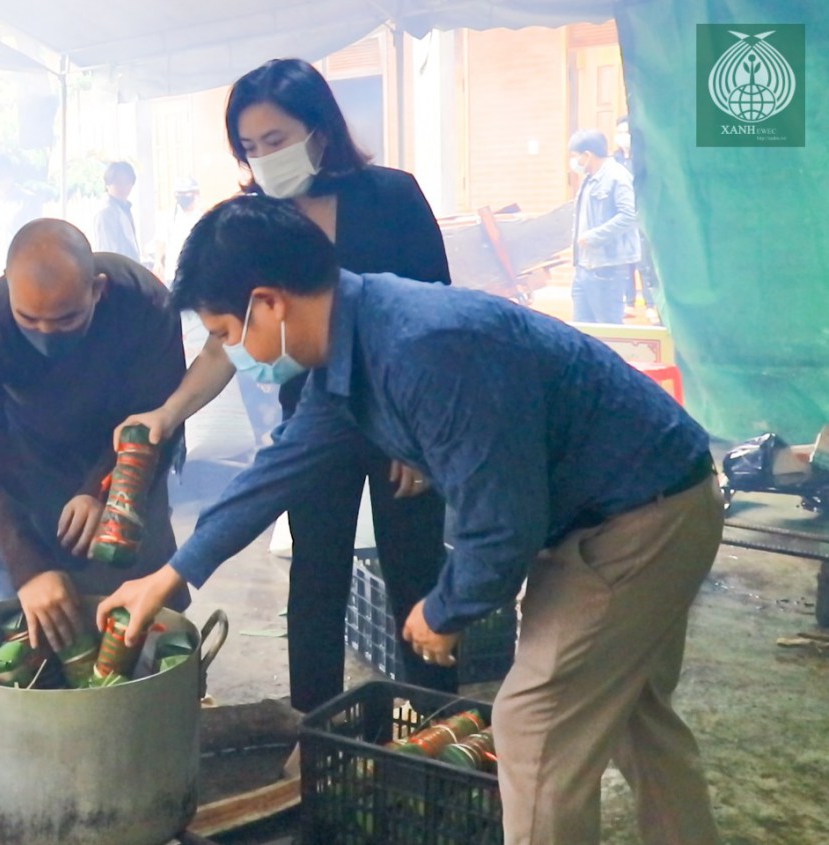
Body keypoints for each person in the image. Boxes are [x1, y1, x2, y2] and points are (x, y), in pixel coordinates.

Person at [103, 195, 723, 845]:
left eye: (229, 334)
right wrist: (172, 574)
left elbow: (502, 522)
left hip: (636, 519)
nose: (236, 355)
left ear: (268, 303)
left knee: (533, 727)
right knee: (633, 715)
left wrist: (446, 608)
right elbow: (277, 470)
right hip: (648, 494)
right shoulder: (353, 348)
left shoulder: (425, 347)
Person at [117, 58, 455, 712]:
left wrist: (423, 441)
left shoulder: (391, 198)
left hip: (404, 423)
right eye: (249, 146)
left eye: (275, 140)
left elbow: (433, 324)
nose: (262, 157)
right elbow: (229, 337)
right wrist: (169, 411)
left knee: (417, 575)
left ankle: (436, 727)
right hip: (317, 420)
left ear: (319, 132)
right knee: (315, 581)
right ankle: (315, 730)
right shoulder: (252, 223)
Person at [0, 218, 185, 651]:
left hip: (127, 462)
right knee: (6, 625)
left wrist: (100, 488)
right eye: (29, 319)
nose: (46, 333)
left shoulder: (144, 303)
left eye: (65, 319)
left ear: (97, 289)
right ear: (7, 285)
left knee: (140, 634)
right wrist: (29, 569)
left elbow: (158, 417)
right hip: (29, 464)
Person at [569, 129, 640, 324]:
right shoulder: (589, 178)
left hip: (606, 269)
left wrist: (594, 236)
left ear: (587, 155)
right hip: (584, 268)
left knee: (609, 333)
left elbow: (630, 215)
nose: (574, 162)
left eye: (576, 156)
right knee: (583, 332)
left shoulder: (617, 176)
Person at [613, 116, 661, 325]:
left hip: (642, 217)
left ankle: (651, 305)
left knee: (644, 262)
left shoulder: (643, 158)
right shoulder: (613, 160)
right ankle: (629, 302)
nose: (623, 137)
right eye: (620, 132)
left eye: (627, 132)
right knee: (625, 261)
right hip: (622, 218)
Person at [0, 153, 46, 281]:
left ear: (11, 175)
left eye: (1, 176)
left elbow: (34, 238)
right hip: (0, 266)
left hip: (23, 267)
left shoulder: (28, 200)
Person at [157, 176, 203, 286]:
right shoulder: (168, 217)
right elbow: (161, 240)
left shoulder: (203, 216)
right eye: (180, 193)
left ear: (196, 193)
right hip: (172, 274)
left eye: (186, 193)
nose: (183, 197)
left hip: (196, 274)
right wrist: (158, 262)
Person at [92, 161, 141, 262]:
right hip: (116, 272)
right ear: (108, 184)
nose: (123, 187)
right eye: (118, 182)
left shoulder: (125, 208)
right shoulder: (105, 214)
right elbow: (108, 253)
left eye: (127, 182)